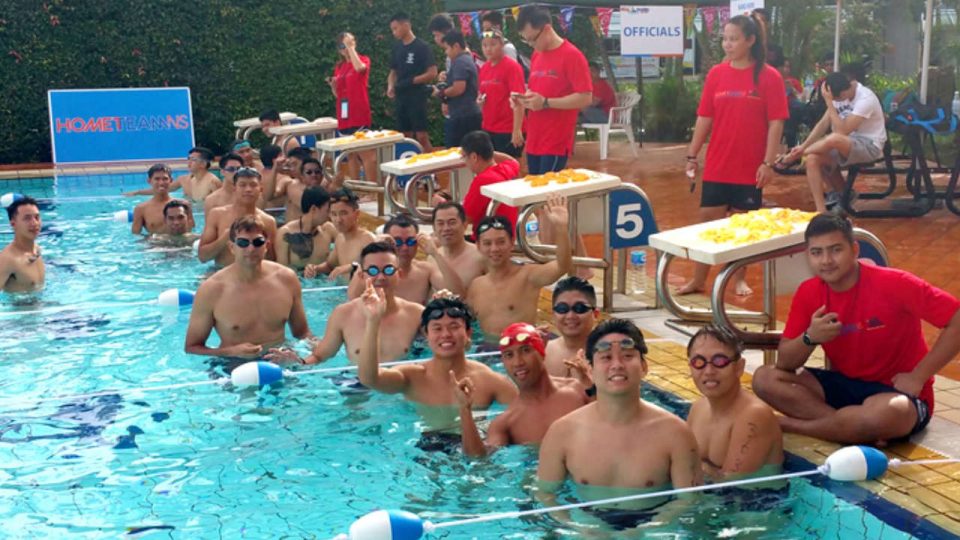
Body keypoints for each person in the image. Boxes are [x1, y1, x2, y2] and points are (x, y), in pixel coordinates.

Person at [752, 213, 960, 444]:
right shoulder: (808, 292)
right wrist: (810, 337)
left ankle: (791, 425)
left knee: (887, 413)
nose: (826, 260)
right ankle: (851, 428)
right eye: (817, 252)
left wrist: (919, 376)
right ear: (807, 256)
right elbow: (785, 363)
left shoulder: (895, 283)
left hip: (897, 393)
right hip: (845, 386)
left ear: (854, 250)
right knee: (765, 378)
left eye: (835, 250)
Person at [537, 319, 701, 524]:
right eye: (606, 357)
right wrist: (579, 529)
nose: (617, 365)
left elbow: (689, 501)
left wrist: (644, 533)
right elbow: (545, 495)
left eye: (627, 356)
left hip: (653, 528)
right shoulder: (562, 432)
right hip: (584, 527)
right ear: (590, 369)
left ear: (644, 367)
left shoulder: (676, 434)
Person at [683, 14, 787, 297]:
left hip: (749, 166)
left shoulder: (769, 76)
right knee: (708, 223)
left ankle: (739, 278)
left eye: (733, 39)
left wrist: (768, 163)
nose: (727, 44)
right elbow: (705, 117)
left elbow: (776, 123)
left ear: (750, 41)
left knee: (743, 227)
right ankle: (698, 279)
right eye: (725, 39)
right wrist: (692, 155)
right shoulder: (717, 74)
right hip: (718, 163)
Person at [358, 290, 517, 433]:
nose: (446, 334)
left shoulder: (489, 381)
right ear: (427, 335)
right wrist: (373, 321)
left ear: (468, 333)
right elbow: (369, 378)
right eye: (437, 328)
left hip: (474, 448)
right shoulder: (412, 377)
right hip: (424, 449)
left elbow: (524, 413)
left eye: (454, 326)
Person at [267, 241, 424, 366]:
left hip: (400, 384)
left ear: (399, 274)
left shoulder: (417, 314)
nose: (381, 277)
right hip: (357, 385)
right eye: (373, 271)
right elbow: (319, 356)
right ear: (361, 275)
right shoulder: (343, 314)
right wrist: (298, 362)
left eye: (388, 270)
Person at [452, 322, 591, 457]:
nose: (518, 362)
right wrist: (465, 410)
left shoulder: (578, 390)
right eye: (509, 355)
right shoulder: (506, 423)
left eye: (526, 350)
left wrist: (591, 385)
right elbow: (479, 461)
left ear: (542, 353)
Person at [185, 215, 310, 359]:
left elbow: (303, 334)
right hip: (232, 364)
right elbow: (192, 347)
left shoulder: (287, 279)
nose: (251, 249)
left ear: (266, 246)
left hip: (280, 361)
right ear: (232, 247)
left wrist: (303, 354)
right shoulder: (211, 290)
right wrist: (230, 352)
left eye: (258, 242)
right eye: (243, 243)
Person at [777, 72, 886, 212]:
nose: (834, 102)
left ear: (843, 93)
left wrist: (830, 103)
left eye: (834, 99)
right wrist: (803, 146)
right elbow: (823, 124)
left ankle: (794, 157)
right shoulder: (838, 94)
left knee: (833, 139)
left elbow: (842, 132)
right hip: (844, 142)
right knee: (812, 159)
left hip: (869, 145)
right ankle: (822, 210)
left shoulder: (865, 99)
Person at [466, 195, 571, 340]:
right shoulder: (476, 286)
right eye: (487, 243)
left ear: (512, 242)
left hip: (522, 347)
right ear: (478, 246)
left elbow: (562, 266)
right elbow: (466, 322)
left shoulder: (528, 276)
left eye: (501, 242)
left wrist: (561, 227)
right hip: (487, 350)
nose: (494, 249)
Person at [685, 326, 782, 480]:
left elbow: (732, 484)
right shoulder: (698, 408)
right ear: (690, 367)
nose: (709, 371)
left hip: (756, 494)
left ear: (739, 367)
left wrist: (690, 466)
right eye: (699, 362)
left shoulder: (754, 415)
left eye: (719, 361)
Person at [513, 4, 592, 175]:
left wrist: (546, 103)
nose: (530, 44)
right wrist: (523, 99)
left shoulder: (572, 56)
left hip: (555, 141)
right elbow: (538, 92)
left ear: (547, 29)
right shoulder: (537, 55)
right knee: (534, 188)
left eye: (532, 39)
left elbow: (585, 97)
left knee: (547, 189)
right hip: (535, 139)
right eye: (526, 40)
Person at [347, 214, 464, 304]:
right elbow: (352, 298)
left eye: (410, 241)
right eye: (397, 242)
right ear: (387, 241)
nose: (404, 247)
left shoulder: (426, 271)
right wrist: (372, 249)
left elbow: (458, 295)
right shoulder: (375, 273)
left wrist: (435, 253)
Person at [326, 31, 377, 188]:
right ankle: (356, 189)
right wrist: (333, 86)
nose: (346, 48)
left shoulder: (363, 59)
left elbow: (360, 69)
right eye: (343, 45)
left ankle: (372, 188)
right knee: (350, 154)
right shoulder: (340, 67)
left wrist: (351, 49)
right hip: (344, 114)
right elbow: (339, 94)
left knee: (366, 153)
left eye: (350, 42)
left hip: (358, 112)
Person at [198, 167, 278, 266]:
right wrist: (224, 238)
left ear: (261, 189)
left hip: (254, 273)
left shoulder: (268, 221)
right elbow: (202, 257)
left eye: (253, 185)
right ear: (234, 188)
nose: (248, 189)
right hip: (222, 271)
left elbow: (273, 260)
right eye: (242, 185)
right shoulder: (217, 215)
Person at [388, 12, 437, 153]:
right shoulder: (397, 48)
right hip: (401, 96)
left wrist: (413, 80)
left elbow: (432, 72)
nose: (394, 32)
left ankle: (431, 165)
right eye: (392, 29)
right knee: (404, 136)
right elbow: (393, 72)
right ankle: (409, 164)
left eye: (396, 28)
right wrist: (390, 86)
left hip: (417, 96)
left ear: (406, 25)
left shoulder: (422, 47)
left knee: (422, 136)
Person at [304, 187, 375, 280]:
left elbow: (376, 267)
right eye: (334, 214)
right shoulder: (340, 238)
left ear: (357, 214)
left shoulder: (368, 239)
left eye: (343, 213)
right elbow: (329, 265)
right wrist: (315, 268)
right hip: (342, 288)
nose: (338, 220)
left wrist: (351, 267)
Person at [478, 29, 525, 158]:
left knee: (510, 165)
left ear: (502, 45)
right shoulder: (484, 68)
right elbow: (482, 94)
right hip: (489, 127)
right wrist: (480, 102)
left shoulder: (512, 67)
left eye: (493, 44)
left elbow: (519, 99)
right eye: (485, 45)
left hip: (507, 128)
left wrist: (517, 130)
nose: (488, 49)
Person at [459, 131, 520, 232]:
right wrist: (487, 151)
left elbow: (465, 218)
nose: (464, 161)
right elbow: (513, 160)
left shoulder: (482, 181)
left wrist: (442, 204)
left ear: (474, 157)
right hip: (508, 233)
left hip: (489, 236)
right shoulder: (508, 168)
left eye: (464, 156)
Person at [544, 276, 599, 377]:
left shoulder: (608, 355)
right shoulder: (543, 352)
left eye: (579, 308)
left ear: (595, 314)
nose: (570, 316)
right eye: (562, 308)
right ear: (553, 315)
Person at [436, 31, 482, 149]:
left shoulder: (460, 62)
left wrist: (441, 93)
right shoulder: (466, 59)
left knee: (455, 152)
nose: (446, 52)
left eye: (447, 48)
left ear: (456, 46)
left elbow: (458, 88)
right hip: (466, 113)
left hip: (463, 116)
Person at [123, 147, 221, 202]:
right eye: (188, 159)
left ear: (203, 164)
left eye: (193, 160)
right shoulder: (184, 180)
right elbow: (162, 189)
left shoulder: (212, 182)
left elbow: (223, 204)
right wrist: (138, 192)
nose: (189, 162)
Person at [275, 186, 337, 271]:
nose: (329, 215)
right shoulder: (285, 233)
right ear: (314, 209)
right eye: (327, 211)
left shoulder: (329, 229)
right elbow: (282, 272)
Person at [431, 202, 486, 289]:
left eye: (452, 222)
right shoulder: (431, 259)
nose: (446, 228)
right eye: (440, 223)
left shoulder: (481, 257)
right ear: (434, 228)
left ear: (465, 225)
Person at [1, 196, 45, 293]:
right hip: (21, 303)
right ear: (13, 224)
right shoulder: (7, 259)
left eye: (37, 217)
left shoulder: (36, 249)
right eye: (27, 218)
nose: (35, 223)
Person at [130, 164, 188, 235]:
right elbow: (136, 235)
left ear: (171, 180)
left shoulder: (183, 205)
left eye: (165, 179)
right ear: (149, 181)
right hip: (155, 242)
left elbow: (190, 231)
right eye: (157, 179)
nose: (161, 183)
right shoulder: (141, 209)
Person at [271, 156, 322, 223]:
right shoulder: (290, 185)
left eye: (317, 172)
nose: (314, 175)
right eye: (309, 172)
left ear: (322, 175)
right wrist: (274, 170)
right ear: (302, 175)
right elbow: (270, 196)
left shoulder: (325, 190)